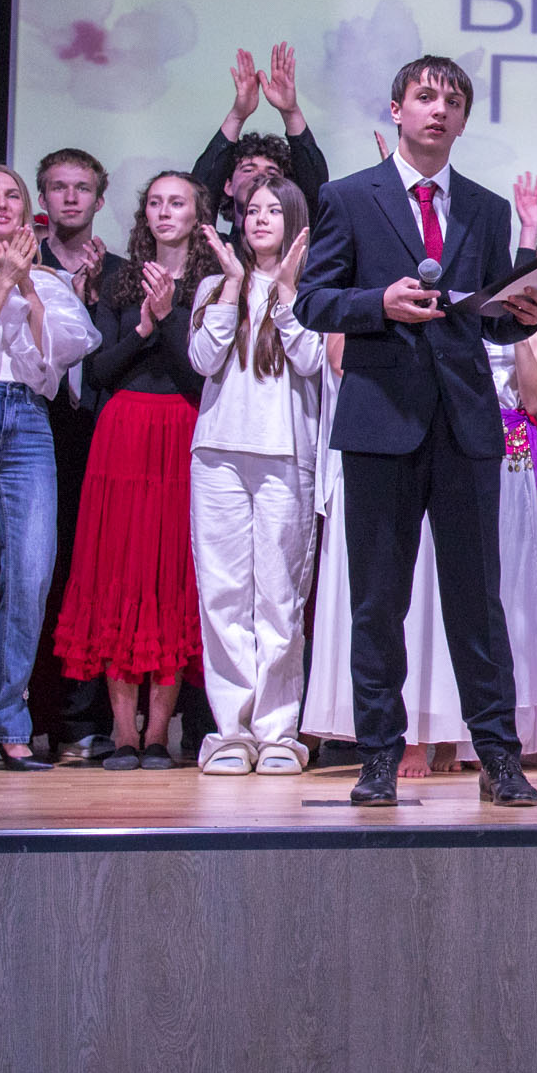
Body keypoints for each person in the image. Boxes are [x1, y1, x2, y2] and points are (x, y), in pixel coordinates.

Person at [295, 54, 537, 807]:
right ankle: (378, 754)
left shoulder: (485, 208)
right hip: (380, 422)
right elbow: (312, 300)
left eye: (453, 101)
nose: (439, 110)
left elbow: (490, 314)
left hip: (466, 423)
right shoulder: (348, 197)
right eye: (425, 96)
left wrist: (523, 312)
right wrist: (378, 303)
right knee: (378, 602)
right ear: (398, 108)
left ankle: (497, 755)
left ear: (463, 120)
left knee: (479, 603)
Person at [55, 172, 222, 771]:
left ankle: (158, 734)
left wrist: (172, 315)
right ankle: (124, 732)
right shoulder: (119, 279)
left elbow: (199, 376)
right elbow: (98, 371)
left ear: (198, 213)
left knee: (172, 575)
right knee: (119, 576)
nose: (164, 212)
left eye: (177, 202)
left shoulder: (213, 283)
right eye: (155, 202)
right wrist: (145, 327)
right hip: (123, 434)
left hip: (182, 430)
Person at [0, 166, 98, 775]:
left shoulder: (50, 280)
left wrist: (28, 282)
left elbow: (61, 355)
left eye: (12, 196)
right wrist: (2, 283)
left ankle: (8, 718)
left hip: (28, 420)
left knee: (30, 574)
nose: (1, 204)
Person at [187, 176, 327, 775]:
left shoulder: (315, 289)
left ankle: (277, 732)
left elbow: (313, 359)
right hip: (217, 453)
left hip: (285, 455)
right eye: (251, 211)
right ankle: (231, 732)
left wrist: (287, 294)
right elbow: (202, 359)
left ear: (295, 220)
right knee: (222, 596)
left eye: (273, 210)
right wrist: (232, 288)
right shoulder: (216, 284)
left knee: (279, 597)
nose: (259, 219)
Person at [32, 147, 120, 760]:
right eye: (58, 187)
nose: (70, 197)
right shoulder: (19, 259)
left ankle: (82, 720)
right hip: (32, 428)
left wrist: (93, 301)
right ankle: (25, 716)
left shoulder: (121, 271)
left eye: (81, 188)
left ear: (99, 199)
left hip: (99, 434)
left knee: (90, 575)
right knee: (33, 573)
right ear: (42, 198)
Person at [191, 42, 330, 235]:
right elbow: (198, 193)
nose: (260, 176)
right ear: (228, 186)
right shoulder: (213, 248)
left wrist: (291, 113)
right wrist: (237, 116)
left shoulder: (300, 248)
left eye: (272, 172)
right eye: (248, 169)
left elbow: (315, 189)